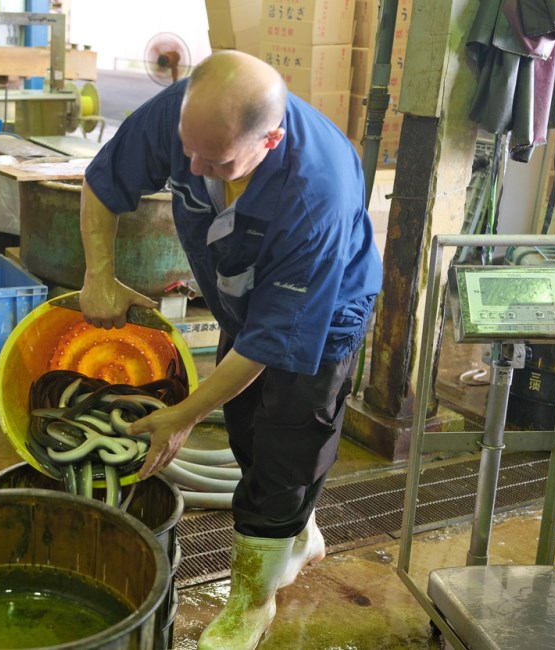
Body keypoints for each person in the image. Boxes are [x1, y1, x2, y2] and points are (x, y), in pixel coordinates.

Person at [78, 51, 383, 649]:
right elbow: (102, 181)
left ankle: (252, 601)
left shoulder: (314, 191)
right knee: (245, 430)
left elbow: (272, 340)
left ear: (270, 140)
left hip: (324, 310)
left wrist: (184, 416)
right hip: (239, 294)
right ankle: (300, 536)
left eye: (212, 161)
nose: (191, 167)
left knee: (286, 442)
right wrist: (99, 275)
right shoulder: (190, 113)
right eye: (186, 149)